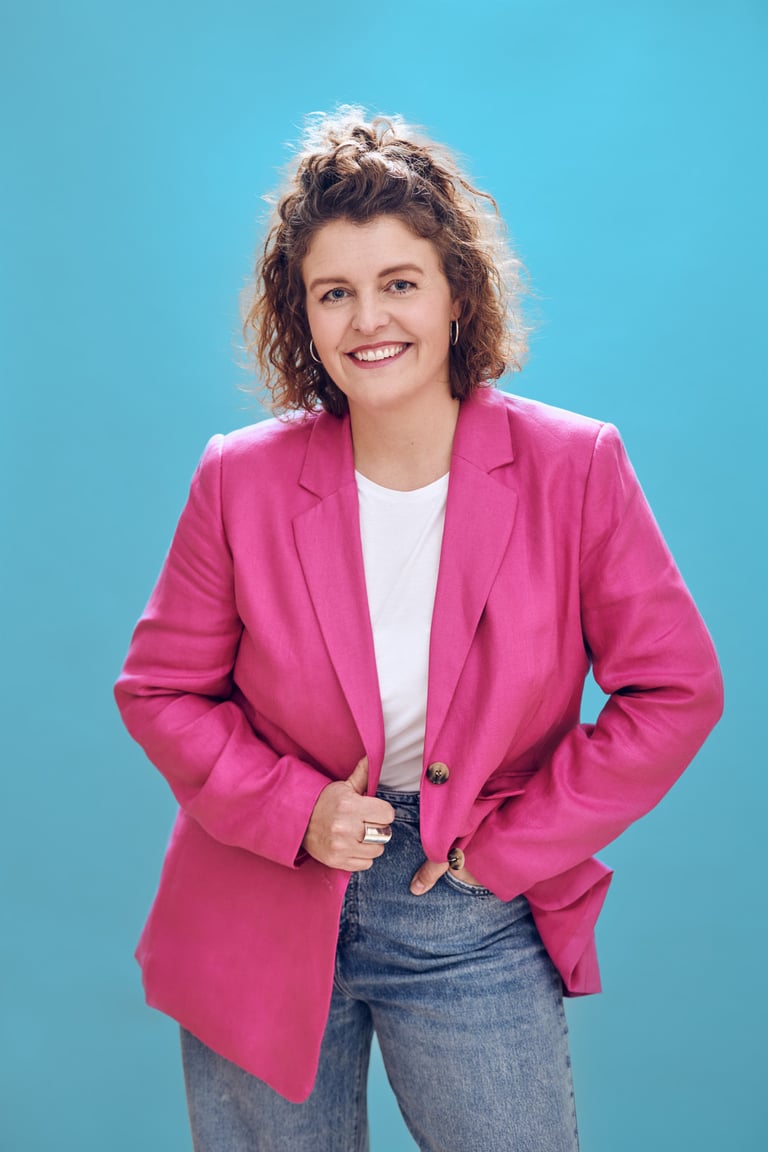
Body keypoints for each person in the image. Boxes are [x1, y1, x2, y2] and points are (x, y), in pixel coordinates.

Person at [114, 108, 723, 1152]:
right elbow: (160, 690)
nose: (368, 320)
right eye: (333, 293)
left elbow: (674, 691)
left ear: (455, 293)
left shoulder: (576, 467)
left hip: (467, 911)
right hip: (258, 896)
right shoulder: (239, 476)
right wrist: (296, 810)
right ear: (301, 317)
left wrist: (510, 850)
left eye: (398, 283)